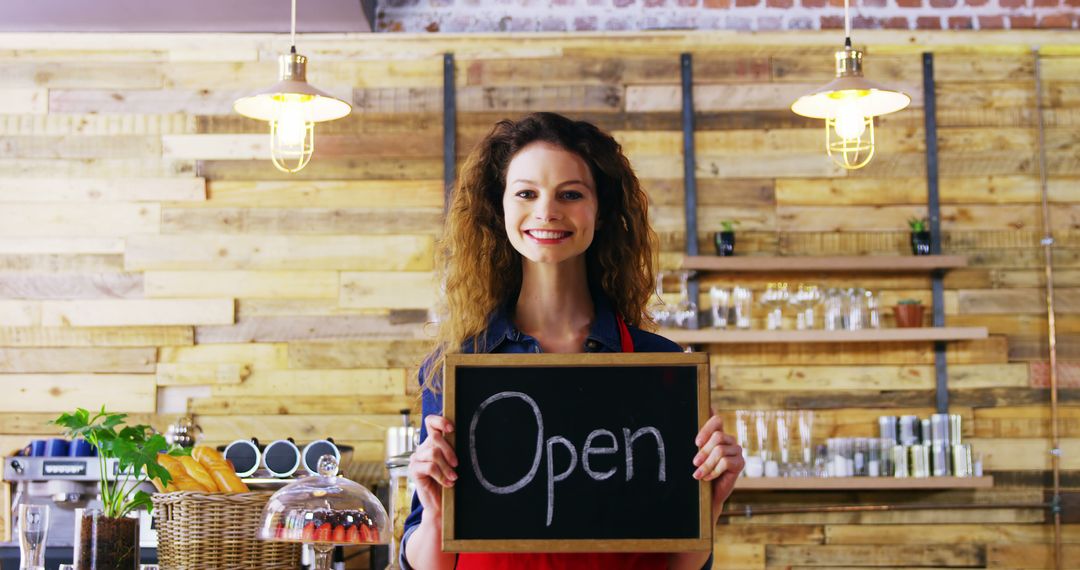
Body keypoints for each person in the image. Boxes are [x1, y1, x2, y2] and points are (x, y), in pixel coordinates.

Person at [401, 112, 744, 570]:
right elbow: (425, 563)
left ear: (600, 211)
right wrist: (438, 512)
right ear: (497, 207)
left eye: (570, 194)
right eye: (526, 193)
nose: (546, 211)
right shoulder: (456, 368)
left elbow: (677, 563)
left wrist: (710, 504)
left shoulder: (661, 365)